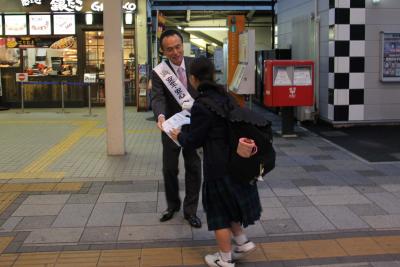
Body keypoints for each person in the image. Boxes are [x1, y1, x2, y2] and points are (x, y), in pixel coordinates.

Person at [170, 57, 262, 267]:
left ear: (193, 79)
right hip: (236, 161)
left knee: (219, 214)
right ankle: (242, 241)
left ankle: (225, 258)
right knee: (230, 205)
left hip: (217, 167)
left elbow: (193, 141)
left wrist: (178, 135)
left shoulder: (202, 105)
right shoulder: (226, 96)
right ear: (213, 75)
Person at [151, 29, 202, 228]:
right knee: (169, 168)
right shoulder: (160, 72)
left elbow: (206, 90)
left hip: (193, 126)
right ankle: (172, 206)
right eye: (170, 49)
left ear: (183, 45)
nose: (175, 52)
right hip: (171, 126)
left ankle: (191, 211)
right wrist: (161, 116)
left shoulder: (194, 65)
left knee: (194, 168)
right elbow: (157, 97)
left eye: (178, 47)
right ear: (163, 51)